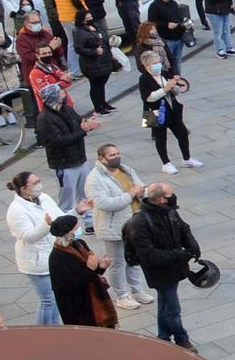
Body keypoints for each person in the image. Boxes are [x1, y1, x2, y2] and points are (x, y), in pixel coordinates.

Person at [120, 182, 200, 347]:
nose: (174, 197)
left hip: (174, 266)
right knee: (172, 308)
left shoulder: (168, 211)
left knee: (165, 302)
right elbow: (149, 255)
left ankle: (163, 337)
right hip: (159, 271)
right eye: (171, 195)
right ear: (162, 199)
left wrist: (192, 245)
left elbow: (183, 228)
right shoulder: (140, 222)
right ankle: (181, 339)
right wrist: (180, 254)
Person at [84, 143, 152, 309]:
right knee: (118, 262)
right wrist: (130, 195)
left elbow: (139, 186)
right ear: (102, 158)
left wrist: (143, 191)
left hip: (133, 221)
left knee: (134, 259)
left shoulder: (125, 169)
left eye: (117, 153)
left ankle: (137, 290)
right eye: (112, 155)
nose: (116, 157)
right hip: (113, 226)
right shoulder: (95, 178)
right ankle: (122, 295)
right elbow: (103, 203)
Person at [47, 213, 113, 327]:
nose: (78, 229)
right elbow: (70, 286)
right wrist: (91, 269)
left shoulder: (79, 243)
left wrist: (100, 266)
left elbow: (92, 267)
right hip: (77, 307)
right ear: (68, 232)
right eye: (76, 227)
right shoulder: (57, 258)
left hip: (92, 297)